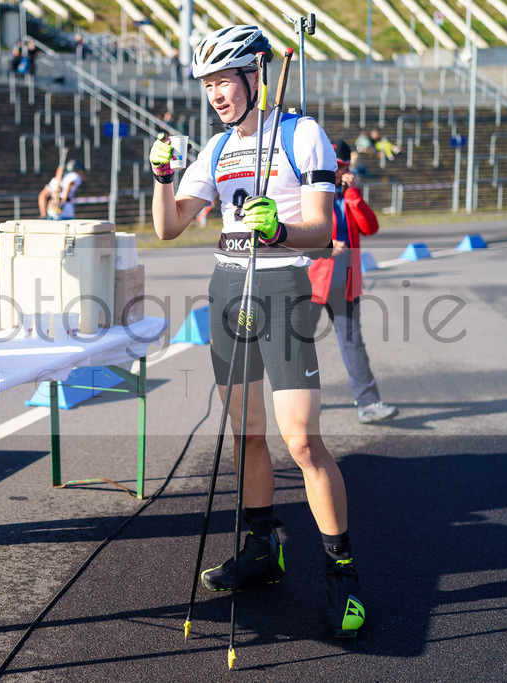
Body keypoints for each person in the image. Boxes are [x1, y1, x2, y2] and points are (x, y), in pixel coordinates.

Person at [148, 25, 365, 639]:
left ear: (256, 76)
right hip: (227, 287)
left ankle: (341, 574)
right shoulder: (215, 150)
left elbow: (322, 230)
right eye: (209, 83)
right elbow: (169, 228)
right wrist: (163, 179)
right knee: (247, 434)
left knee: (301, 441)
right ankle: (264, 549)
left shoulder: (302, 134)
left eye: (226, 79)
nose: (217, 93)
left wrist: (278, 233)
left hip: (283, 288)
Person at [308, 140, 397, 424]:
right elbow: (290, 235)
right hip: (310, 283)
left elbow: (370, 227)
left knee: (353, 343)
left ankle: (369, 403)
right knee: (299, 343)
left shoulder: (348, 196)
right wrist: (323, 246)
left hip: (345, 283)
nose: (337, 172)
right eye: (333, 166)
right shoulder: (308, 194)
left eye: (342, 167)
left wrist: (354, 195)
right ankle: (302, 401)